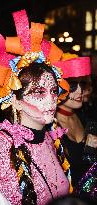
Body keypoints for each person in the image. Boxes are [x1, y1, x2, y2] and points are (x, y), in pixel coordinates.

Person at [0, 9, 71, 205]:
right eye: (39, 92)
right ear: (14, 99)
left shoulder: (51, 138)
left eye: (54, 91)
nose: (51, 100)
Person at [53, 54, 97, 201]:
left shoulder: (85, 117)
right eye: (72, 86)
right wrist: (89, 153)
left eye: (81, 85)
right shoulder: (50, 127)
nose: (79, 91)